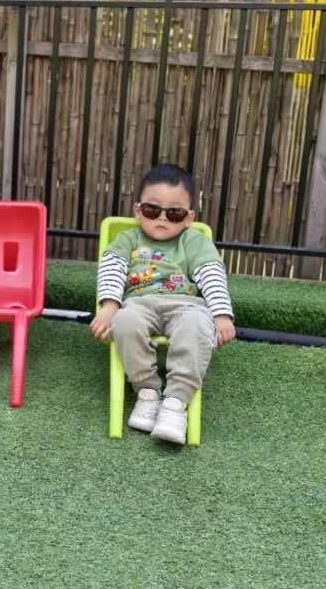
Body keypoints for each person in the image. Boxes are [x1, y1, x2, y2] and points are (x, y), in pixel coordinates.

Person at [90, 164, 236, 444]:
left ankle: (176, 402)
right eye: (152, 210)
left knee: (198, 325)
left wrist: (221, 314)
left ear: (188, 218)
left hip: (185, 305)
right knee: (124, 321)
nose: (162, 218)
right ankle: (148, 391)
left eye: (175, 213)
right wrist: (109, 306)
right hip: (138, 303)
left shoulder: (194, 241)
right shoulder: (128, 239)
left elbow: (211, 275)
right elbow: (112, 270)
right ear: (138, 211)